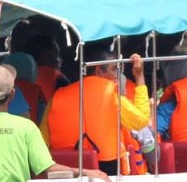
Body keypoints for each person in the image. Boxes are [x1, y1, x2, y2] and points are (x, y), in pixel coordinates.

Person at [41, 45, 151, 175]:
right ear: (99, 70)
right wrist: (139, 77)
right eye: (114, 69)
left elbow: (42, 140)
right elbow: (141, 121)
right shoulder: (111, 95)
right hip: (105, 169)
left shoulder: (57, 97)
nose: (118, 74)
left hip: (66, 171)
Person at [24, 33, 68, 104]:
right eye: (56, 55)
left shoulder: (14, 81)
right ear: (46, 57)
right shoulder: (59, 80)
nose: (60, 61)